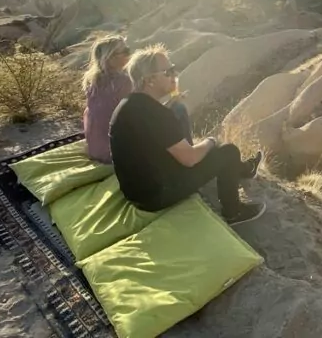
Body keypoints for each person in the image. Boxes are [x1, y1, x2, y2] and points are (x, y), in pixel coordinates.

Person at [109, 44, 265, 225]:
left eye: (173, 69)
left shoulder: (129, 104)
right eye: (167, 72)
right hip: (155, 196)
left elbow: (151, 133)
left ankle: (243, 170)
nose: (174, 75)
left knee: (215, 151)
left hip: (136, 190)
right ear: (149, 80)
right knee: (228, 151)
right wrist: (211, 141)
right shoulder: (156, 114)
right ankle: (234, 212)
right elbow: (189, 158)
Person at [81, 36, 132, 163]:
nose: (129, 54)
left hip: (96, 150)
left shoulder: (92, 80)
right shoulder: (124, 82)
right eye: (125, 51)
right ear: (110, 58)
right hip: (114, 153)